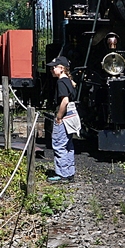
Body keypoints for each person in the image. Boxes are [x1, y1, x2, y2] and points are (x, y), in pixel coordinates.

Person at [46, 55, 78, 183]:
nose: (51, 70)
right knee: (68, 145)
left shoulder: (61, 82)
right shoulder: (69, 81)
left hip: (64, 117)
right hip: (72, 116)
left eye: (54, 68)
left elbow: (64, 100)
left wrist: (59, 117)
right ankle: (69, 172)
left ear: (62, 68)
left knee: (59, 144)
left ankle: (62, 174)